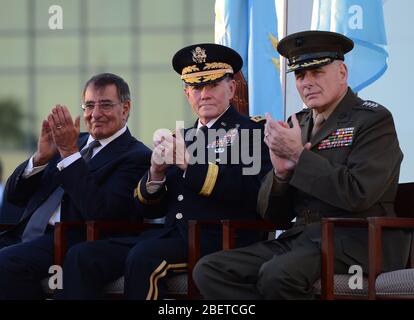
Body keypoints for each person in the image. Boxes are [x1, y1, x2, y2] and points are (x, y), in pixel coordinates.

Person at [193, 31, 411, 299]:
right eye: (299, 75)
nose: (306, 82)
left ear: (342, 72)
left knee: (277, 275)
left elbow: (358, 193)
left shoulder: (373, 120)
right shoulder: (299, 122)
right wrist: (281, 175)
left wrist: (299, 156)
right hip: (303, 238)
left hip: (356, 239)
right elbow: (273, 216)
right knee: (211, 270)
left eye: (316, 72)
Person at [58, 43, 271, 299]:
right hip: (172, 235)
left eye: (212, 85)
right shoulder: (182, 137)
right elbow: (150, 209)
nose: (204, 94)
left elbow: (252, 193)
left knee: (144, 258)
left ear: (231, 88)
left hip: (222, 239)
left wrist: (190, 164)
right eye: (196, 87)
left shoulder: (253, 132)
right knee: (82, 255)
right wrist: (155, 175)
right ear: (186, 94)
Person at [0, 73, 151, 299]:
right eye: (89, 106)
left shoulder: (136, 156)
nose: (96, 114)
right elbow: (14, 196)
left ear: (125, 108)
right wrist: (40, 158)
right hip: (24, 233)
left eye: (106, 105)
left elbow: (101, 213)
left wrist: (70, 155)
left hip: (73, 239)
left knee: (6, 263)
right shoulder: (69, 139)